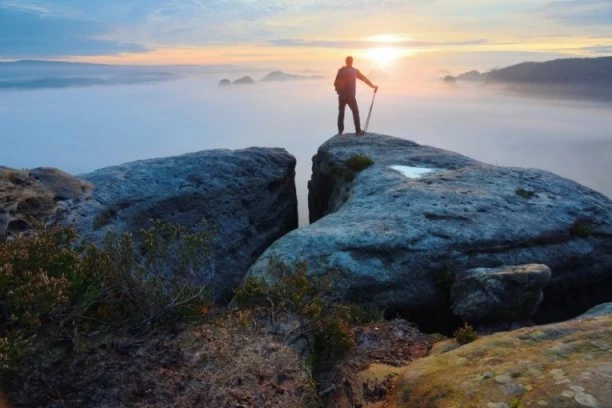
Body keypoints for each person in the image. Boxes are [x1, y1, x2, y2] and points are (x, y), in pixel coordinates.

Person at [334, 56, 378, 136]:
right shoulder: (354, 71)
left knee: (341, 113)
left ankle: (340, 131)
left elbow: (336, 83)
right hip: (350, 96)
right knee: (355, 112)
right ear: (352, 62)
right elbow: (364, 79)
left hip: (341, 96)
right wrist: (372, 86)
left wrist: (340, 93)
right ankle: (358, 130)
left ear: (346, 61)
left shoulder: (341, 71)